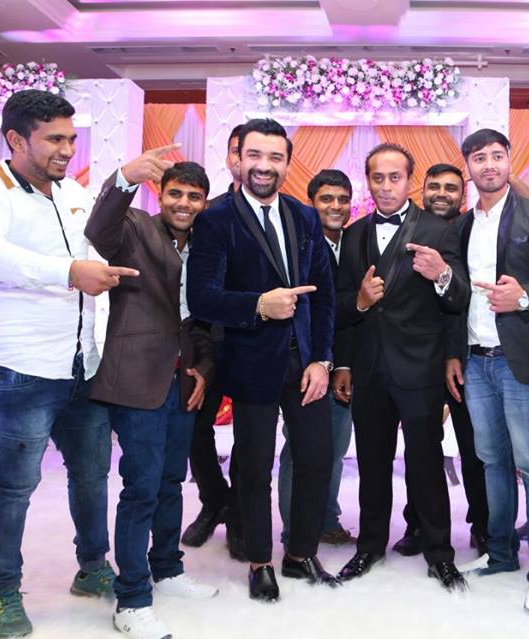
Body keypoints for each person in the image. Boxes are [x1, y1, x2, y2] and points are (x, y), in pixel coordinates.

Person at [0, 89, 137, 638]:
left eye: (71, 138)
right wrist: (67, 273)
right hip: (21, 367)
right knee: (14, 485)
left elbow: (98, 245)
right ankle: (1, 591)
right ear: (16, 139)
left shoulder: (73, 193)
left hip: (83, 364)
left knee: (93, 475)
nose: (67, 149)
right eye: (54, 139)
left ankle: (92, 568)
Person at [187, 118, 338, 602]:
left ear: (288, 163)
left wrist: (322, 360)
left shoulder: (305, 217)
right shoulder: (215, 219)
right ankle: (259, 561)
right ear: (238, 158)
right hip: (252, 364)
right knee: (253, 468)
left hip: (306, 364)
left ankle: (299, 553)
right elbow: (201, 297)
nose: (264, 166)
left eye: (275, 157)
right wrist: (257, 305)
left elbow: (325, 296)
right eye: (255, 155)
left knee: (316, 458)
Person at [86, 152, 218, 638]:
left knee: (170, 482)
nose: (184, 203)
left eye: (194, 196)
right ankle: (132, 600)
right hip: (137, 376)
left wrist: (203, 368)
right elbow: (98, 231)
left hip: (183, 380)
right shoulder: (136, 228)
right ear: (160, 196)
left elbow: (201, 318)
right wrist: (126, 178)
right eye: (175, 193)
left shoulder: (205, 244)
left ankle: (167, 567)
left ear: (204, 203)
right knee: (140, 488)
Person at [332, 143, 470, 592]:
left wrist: (442, 274)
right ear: (368, 181)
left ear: (410, 181)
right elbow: (341, 304)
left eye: (395, 177)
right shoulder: (353, 234)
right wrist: (346, 354)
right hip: (368, 367)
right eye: (378, 178)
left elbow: (460, 300)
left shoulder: (438, 229)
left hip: (420, 367)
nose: (386, 186)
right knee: (371, 463)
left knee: (426, 462)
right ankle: (370, 545)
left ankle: (440, 554)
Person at [453, 129, 529, 614]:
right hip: (475, 359)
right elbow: (458, 294)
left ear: (509, 160)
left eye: (496, 156)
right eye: (479, 158)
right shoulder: (464, 225)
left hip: (521, 359)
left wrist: (523, 298)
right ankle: (501, 552)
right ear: (468, 166)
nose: (488, 165)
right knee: (491, 461)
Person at [393, 163, 489, 558]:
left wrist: (454, 353)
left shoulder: (474, 229)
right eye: (435, 186)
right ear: (423, 190)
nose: (442, 194)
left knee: (476, 446)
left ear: (463, 194)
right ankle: (418, 523)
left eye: (451, 188)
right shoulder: (408, 230)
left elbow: (463, 301)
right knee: (421, 447)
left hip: (466, 357)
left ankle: (483, 525)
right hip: (416, 359)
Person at [278, 169, 357, 547]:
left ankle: (326, 519)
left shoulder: (355, 244)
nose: (336, 206)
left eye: (343, 199)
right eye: (326, 199)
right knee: (300, 450)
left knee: (335, 450)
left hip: (346, 367)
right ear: (311, 203)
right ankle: (295, 531)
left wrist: (344, 364)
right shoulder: (299, 245)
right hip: (306, 366)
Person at [183, 123, 246, 559]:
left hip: (256, 339)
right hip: (207, 337)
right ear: (230, 158)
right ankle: (213, 500)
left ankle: (239, 512)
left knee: (252, 433)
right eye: (240, 151)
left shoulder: (285, 213)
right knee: (193, 427)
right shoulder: (208, 213)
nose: (248, 160)